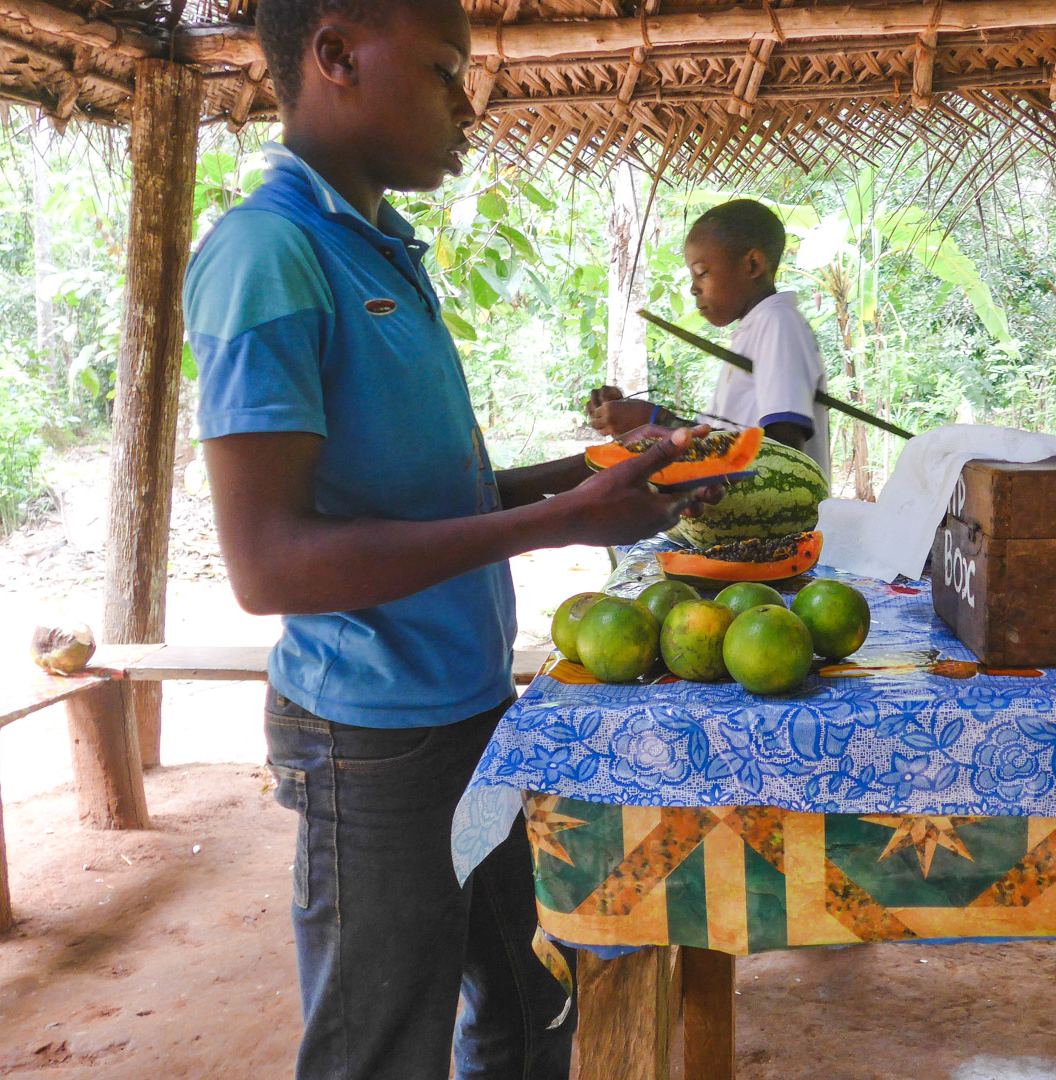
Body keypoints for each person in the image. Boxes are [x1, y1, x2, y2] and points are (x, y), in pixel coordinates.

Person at [182, 2, 719, 1077]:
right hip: (373, 740)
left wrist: (592, 473)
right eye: (442, 71)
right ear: (335, 54)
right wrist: (567, 521)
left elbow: (439, 497)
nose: (468, 105)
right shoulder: (269, 253)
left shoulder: (378, 248)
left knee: (533, 1000)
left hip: (471, 714)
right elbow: (270, 564)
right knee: (384, 1040)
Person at [586, 198, 831, 474]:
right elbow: (718, 438)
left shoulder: (779, 324)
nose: (693, 289)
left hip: (782, 517)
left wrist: (657, 420)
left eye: (702, 273)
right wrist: (637, 420)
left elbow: (784, 451)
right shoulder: (752, 332)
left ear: (752, 265)